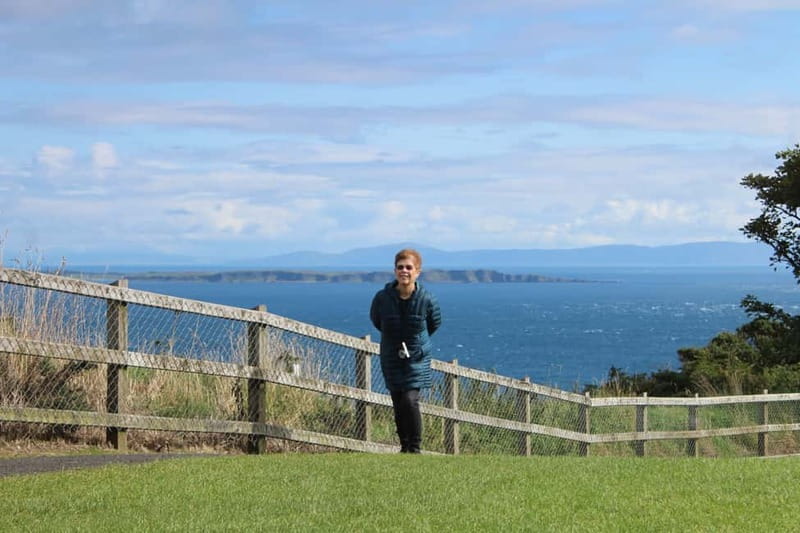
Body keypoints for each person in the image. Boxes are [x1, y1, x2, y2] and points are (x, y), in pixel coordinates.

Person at [370, 248, 442, 453]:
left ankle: (415, 447)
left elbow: (434, 323)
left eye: (409, 267)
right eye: (400, 267)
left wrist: (416, 342)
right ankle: (404, 447)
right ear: (394, 271)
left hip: (416, 357)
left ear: (417, 272)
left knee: (410, 400)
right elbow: (377, 320)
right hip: (392, 356)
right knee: (398, 400)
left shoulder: (427, 299)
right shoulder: (382, 298)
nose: (404, 271)